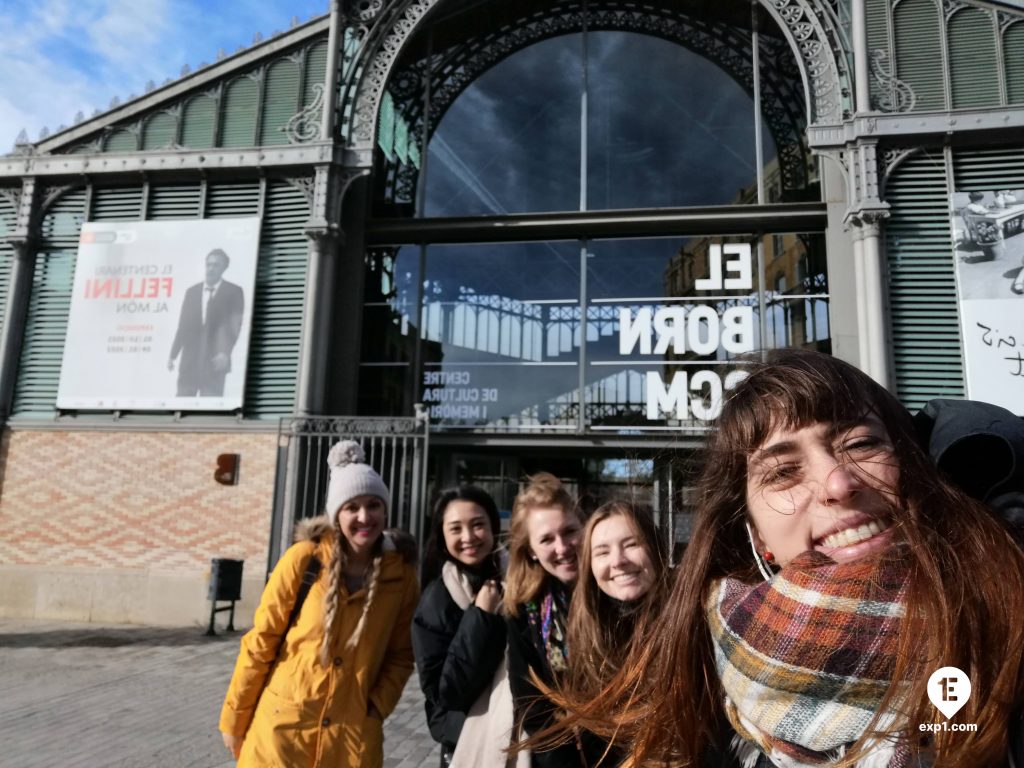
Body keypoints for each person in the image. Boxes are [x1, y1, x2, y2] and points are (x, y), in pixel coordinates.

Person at [548, 349, 1024, 767]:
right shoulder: (707, 700)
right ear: (757, 536)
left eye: (860, 443)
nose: (838, 484)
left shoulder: (1009, 616)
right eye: (782, 472)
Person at [219, 440, 419, 768]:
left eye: (373, 505)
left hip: (351, 738)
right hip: (281, 733)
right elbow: (261, 641)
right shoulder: (304, 560)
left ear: (385, 510)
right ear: (336, 514)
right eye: (351, 507)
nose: (364, 516)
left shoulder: (401, 576)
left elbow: (401, 654)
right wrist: (234, 719)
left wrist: (374, 708)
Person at [563, 500, 669, 767]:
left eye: (631, 544)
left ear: (656, 548)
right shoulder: (586, 632)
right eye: (602, 552)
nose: (618, 561)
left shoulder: (692, 620)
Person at [412, 486, 508, 767]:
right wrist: (481, 616)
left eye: (478, 524)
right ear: (442, 536)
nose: (468, 537)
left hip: (522, 737)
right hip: (467, 742)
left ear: (493, 527)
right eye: (455, 529)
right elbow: (446, 693)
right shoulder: (435, 602)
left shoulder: (522, 581)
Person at [504, 471, 585, 768]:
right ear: (532, 552)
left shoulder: (614, 590)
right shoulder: (524, 612)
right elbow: (530, 704)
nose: (562, 548)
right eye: (547, 539)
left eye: (569, 531)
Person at [168, 247, 245, 397]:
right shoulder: (192, 292)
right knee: (182, 403)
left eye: (216, 265)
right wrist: (173, 355)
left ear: (224, 268)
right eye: (209, 264)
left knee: (210, 406)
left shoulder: (234, 291)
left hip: (215, 361)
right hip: (189, 361)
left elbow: (234, 325)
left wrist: (225, 352)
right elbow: (183, 325)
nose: (211, 269)